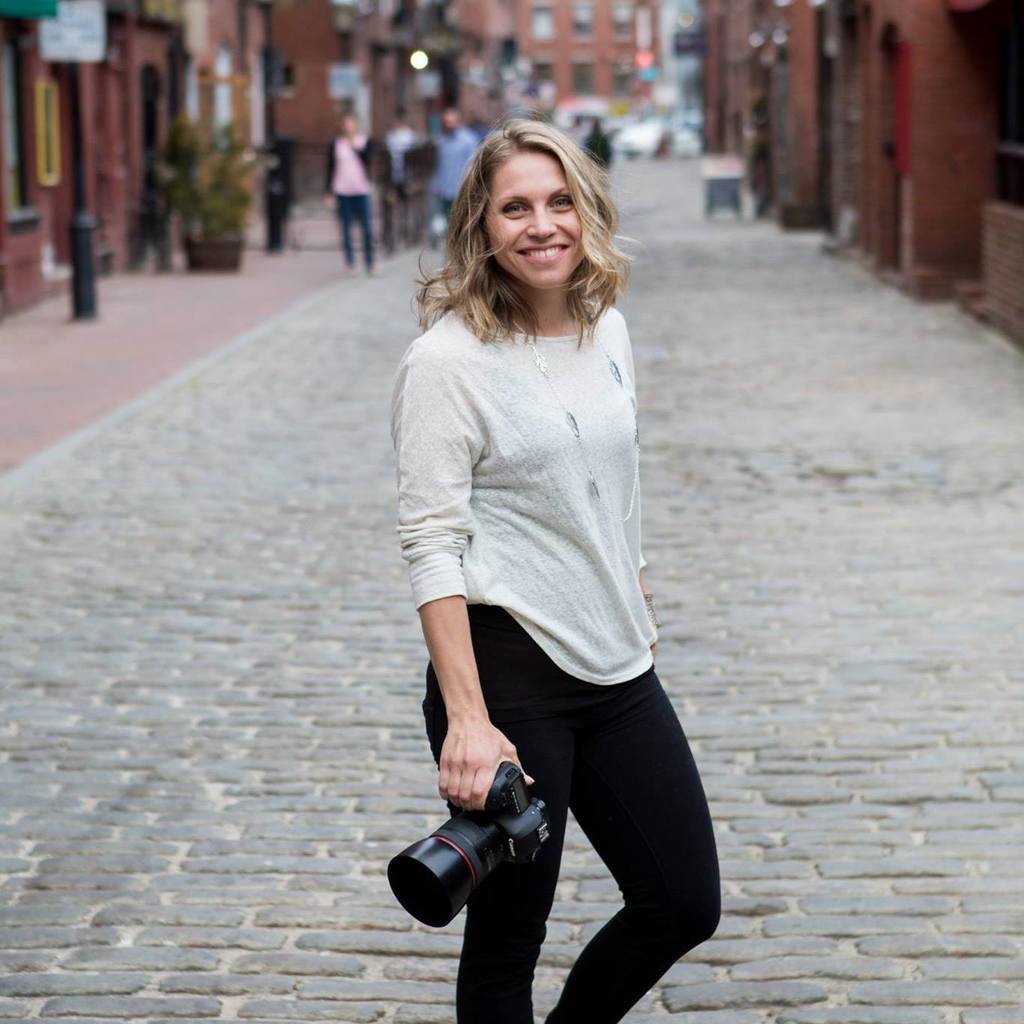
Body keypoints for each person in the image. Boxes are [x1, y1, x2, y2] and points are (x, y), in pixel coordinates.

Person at [389, 118, 720, 1024]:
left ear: (587, 210)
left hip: (618, 666)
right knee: (508, 943)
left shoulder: (605, 327)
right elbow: (431, 543)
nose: (543, 225)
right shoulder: (447, 363)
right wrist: (468, 720)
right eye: (516, 209)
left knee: (683, 901)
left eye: (560, 201)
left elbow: (618, 473)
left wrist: (633, 581)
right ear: (482, 227)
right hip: (510, 678)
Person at [324, 111, 377, 275]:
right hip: (342, 190)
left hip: (361, 190)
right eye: (346, 123)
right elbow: (330, 168)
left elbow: (368, 160)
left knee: (366, 228)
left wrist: (354, 146)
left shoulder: (364, 141)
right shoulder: (336, 144)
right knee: (346, 228)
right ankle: (350, 263)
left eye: (351, 123)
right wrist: (328, 192)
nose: (348, 127)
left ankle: (370, 263)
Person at [432, 107, 479, 224]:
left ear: (458, 121)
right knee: (445, 222)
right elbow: (439, 164)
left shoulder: (469, 140)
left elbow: (473, 164)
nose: (448, 125)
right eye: (446, 122)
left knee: (460, 222)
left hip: (461, 190)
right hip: (444, 190)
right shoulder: (441, 140)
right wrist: (436, 184)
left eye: (451, 122)